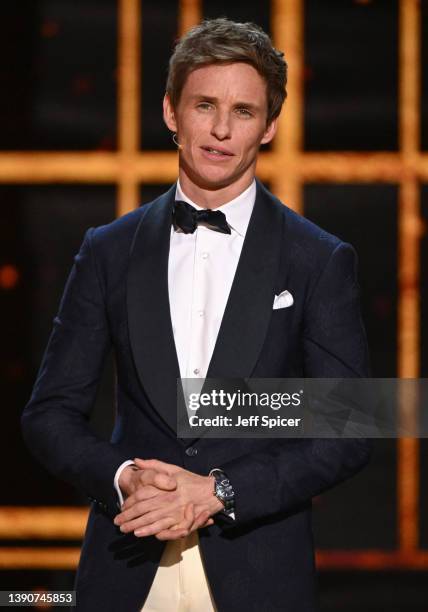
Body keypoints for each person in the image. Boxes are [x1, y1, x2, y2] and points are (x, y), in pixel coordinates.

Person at [22, 18, 371, 612]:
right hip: (126, 564)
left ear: (270, 126)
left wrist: (221, 491)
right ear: (170, 113)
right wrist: (125, 475)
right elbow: (49, 415)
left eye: (243, 111)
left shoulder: (317, 259)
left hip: (258, 572)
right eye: (204, 104)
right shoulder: (108, 250)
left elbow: (351, 425)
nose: (219, 129)